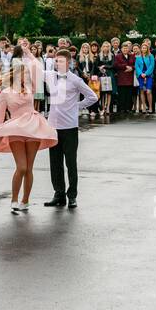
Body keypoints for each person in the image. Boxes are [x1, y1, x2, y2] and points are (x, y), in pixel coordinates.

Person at [0, 50, 56, 212]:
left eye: (27, 75)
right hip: (16, 129)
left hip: (33, 128)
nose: (26, 77)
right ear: (16, 75)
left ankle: (25, 200)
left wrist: (28, 52)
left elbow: (37, 65)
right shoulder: (6, 93)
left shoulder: (30, 88)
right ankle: (14, 199)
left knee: (29, 168)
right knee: (21, 167)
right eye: (23, 74)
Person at [43, 48, 98, 208]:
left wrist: (77, 106)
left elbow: (92, 96)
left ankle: (72, 195)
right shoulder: (50, 75)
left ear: (68, 63)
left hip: (69, 127)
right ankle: (59, 194)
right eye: (55, 61)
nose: (56, 63)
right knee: (55, 163)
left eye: (59, 61)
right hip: (53, 127)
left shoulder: (75, 80)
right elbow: (34, 69)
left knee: (71, 163)